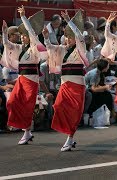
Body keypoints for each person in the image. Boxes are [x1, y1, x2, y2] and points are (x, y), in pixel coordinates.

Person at [43, 10, 89, 151]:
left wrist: (69, 20)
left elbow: (80, 37)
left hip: (77, 84)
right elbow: (50, 48)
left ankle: (70, 137)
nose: (68, 39)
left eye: (71, 37)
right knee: (58, 106)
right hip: (65, 84)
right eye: (66, 37)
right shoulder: (62, 49)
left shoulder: (81, 49)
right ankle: (68, 135)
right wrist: (45, 38)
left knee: (74, 112)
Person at [3, 6, 46, 144]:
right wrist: (4, 33)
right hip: (21, 79)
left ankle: (27, 132)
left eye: (24, 34)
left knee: (28, 107)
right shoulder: (19, 48)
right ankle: (25, 130)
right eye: (21, 35)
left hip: (32, 81)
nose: (22, 36)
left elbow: (33, 34)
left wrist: (23, 17)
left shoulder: (34, 48)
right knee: (11, 102)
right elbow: (7, 44)